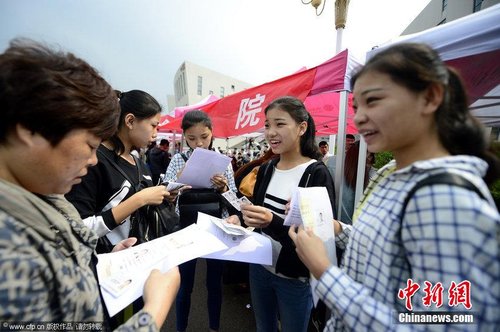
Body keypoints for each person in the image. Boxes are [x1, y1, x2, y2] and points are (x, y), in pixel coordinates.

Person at [289, 43, 500, 331]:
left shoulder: (446, 198)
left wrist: (325, 273)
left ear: (430, 97)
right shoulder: (391, 172)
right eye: (356, 106)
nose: (359, 117)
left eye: (373, 100)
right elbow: (386, 246)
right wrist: (338, 229)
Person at [0, 38, 180, 329]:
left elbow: (72, 256)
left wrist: (103, 262)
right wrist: (155, 309)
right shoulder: (11, 254)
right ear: (30, 130)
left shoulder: (44, 199)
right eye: (89, 144)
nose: (95, 160)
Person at [227, 96, 336, 332]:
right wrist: (240, 219)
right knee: (263, 327)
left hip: (295, 279)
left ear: (301, 127)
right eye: (267, 125)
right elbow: (256, 210)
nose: (271, 132)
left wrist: (272, 221)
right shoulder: (266, 168)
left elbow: (321, 235)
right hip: (259, 268)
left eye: (279, 124)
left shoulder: (316, 173)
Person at [163, 110, 237, 332]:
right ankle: (181, 328)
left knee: (214, 284)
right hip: (185, 231)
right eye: (192, 138)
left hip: (215, 230)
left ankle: (214, 327)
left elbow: (234, 200)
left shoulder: (223, 162)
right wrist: (177, 182)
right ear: (184, 136)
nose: (199, 144)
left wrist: (223, 187)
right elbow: (164, 196)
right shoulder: (178, 159)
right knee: (184, 285)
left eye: (204, 137)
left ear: (212, 133)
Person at [340, 140, 376, 224]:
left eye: (371, 156)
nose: (369, 159)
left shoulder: (334, 164)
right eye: (369, 155)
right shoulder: (373, 175)